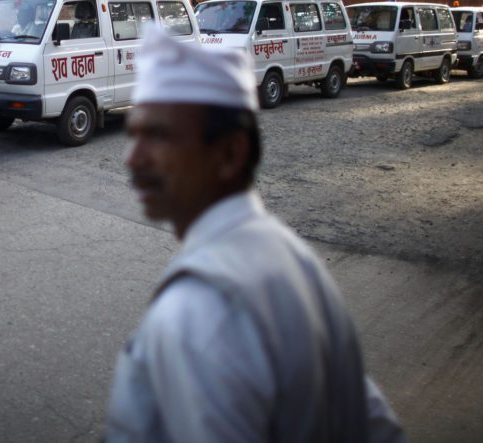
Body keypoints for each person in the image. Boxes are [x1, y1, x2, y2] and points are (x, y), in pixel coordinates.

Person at [106, 25, 406, 442]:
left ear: (229, 153)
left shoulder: (199, 311)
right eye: (133, 134)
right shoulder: (292, 257)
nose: (132, 158)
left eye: (158, 136)